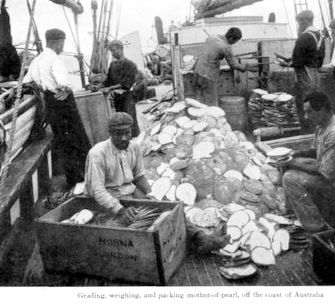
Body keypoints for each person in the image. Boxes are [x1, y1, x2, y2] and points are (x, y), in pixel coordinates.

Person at [85, 112, 229, 253]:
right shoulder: (97, 153)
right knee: (145, 222)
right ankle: (193, 243)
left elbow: (139, 176)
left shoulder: (134, 147)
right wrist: (120, 209)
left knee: (169, 209)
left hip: (128, 192)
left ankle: (201, 238)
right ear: (110, 133)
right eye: (118, 134)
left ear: (131, 131)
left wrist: (151, 195)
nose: (124, 138)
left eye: (127, 133)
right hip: (106, 201)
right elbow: (98, 190)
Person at [282, 91, 335, 233]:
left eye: (309, 112)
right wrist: (294, 154)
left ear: (323, 110)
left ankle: (317, 227)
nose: (306, 117)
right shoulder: (322, 126)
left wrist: (291, 163)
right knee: (291, 163)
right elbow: (315, 152)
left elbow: (324, 171)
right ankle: (296, 212)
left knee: (290, 178)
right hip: (330, 173)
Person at [23, 28, 91, 189]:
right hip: (63, 102)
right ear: (57, 42)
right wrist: (65, 90)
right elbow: (64, 83)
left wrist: (42, 88)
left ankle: (72, 180)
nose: (62, 47)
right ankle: (85, 177)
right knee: (76, 138)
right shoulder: (54, 59)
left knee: (62, 140)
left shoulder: (37, 60)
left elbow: (27, 80)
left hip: (50, 103)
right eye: (62, 43)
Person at [279, 10, 325, 131]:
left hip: (304, 76)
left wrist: (286, 63)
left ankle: (306, 131)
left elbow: (298, 61)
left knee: (303, 103)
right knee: (315, 102)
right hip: (315, 74)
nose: (299, 26)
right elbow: (318, 59)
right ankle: (317, 129)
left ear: (304, 21)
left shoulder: (304, 37)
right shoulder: (320, 36)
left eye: (299, 23)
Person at [193, 27, 254, 106]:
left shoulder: (213, 36)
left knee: (199, 100)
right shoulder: (225, 47)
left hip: (197, 71)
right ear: (231, 38)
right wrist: (244, 68)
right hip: (207, 75)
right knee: (212, 102)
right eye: (235, 41)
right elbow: (233, 64)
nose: (234, 43)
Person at [93, 39, 140, 137]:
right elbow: (108, 80)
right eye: (111, 51)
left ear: (121, 49)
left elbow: (126, 84)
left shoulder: (130, 64)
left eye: (114, 50)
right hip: (117, 98)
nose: (113, 53)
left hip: (127, 97)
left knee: (129, 121)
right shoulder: (113, 64)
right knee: (120, 121)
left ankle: (134, 141)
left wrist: (109, 88)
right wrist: (97, 87)